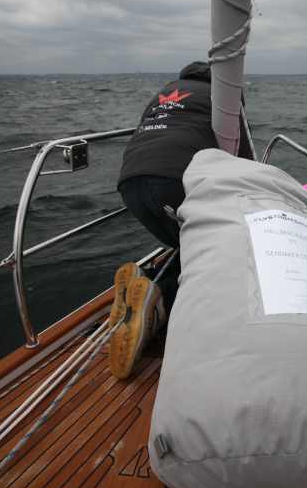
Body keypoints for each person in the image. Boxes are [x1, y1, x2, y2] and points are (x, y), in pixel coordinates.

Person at [108, 61, 252, 379]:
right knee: (212, 248)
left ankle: (142, 279)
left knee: (186, 241)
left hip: (130, 184)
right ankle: (158, 307)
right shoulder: (223, 101)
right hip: (176, 180)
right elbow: (245, 161)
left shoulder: (164, 94)